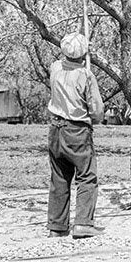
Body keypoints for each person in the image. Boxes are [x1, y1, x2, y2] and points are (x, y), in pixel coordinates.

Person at [46, 32, 105, 238]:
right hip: (77, 130)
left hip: (55, 129)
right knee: (87, 176)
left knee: (60, 177)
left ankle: (57, 226)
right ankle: (83, 223)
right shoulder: (85, 75)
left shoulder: (54, 68)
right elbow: (96, 110)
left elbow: (63, 65)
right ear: (84, 53)